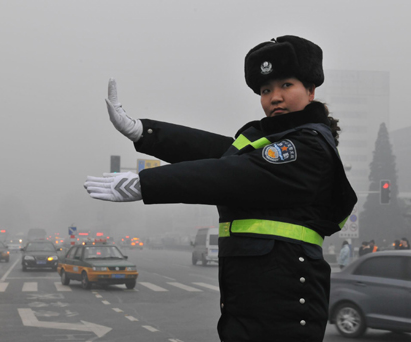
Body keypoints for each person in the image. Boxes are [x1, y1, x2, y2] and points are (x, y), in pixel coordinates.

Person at [84, 35, 357, 342]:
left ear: (310, 90)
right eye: (266, 90)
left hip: (285, 306)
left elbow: (233, 173)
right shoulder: (273, 140)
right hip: (251, 303)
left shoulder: (309, 147)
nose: (274, 97)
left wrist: (145, 183)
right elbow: (220, 151)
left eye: (286, 86)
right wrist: (143, 131)